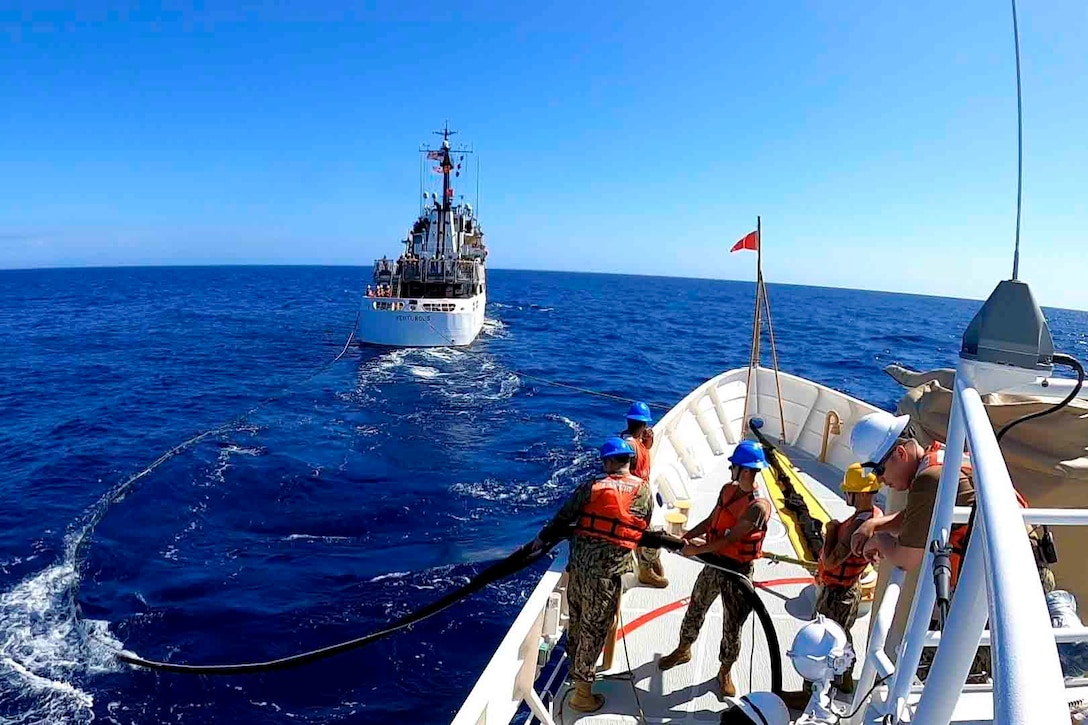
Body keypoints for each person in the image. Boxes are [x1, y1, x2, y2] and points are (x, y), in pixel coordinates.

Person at [847, 411, 1052, 592]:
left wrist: (880, 541)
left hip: (1012, 585)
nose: (880, 480)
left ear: (901, 454)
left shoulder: (929, 479)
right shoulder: (939, 458)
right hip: (1024, 570)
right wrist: (873, 524)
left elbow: (906, 559)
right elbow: (918, 517)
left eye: (879, 470)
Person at [531, 437, 653, 713]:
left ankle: (576, 673)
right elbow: (642, 527)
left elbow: (563, 518)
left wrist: (540, 540)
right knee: (594, 630)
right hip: (608, 576)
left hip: (580, 570)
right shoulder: (643, 491)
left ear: (608, 462)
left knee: (577, 623)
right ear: (628, 461)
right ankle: (582, 694)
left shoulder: (590, 488)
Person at [658, 440, 772, 697]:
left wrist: (695, 550)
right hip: (714, 562)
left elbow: (731, 539)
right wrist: (689, 535)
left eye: (734, 466)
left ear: (744, 470)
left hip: (737, 572)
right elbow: (712, 521)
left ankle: (725, 671)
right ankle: (683, 648)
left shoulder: (758, 508)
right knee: (696, 605)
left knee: (732, 625)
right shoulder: (727, 490)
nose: (730, 469)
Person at [623, 401, 668, 589]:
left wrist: (647, 444)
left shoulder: (637, 444)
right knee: (648, 533)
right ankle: (645, 570)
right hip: (635, 500)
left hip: (641, 496)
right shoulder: (630, 446)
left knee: (645, 530)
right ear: (642, 425)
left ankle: (649, 561)